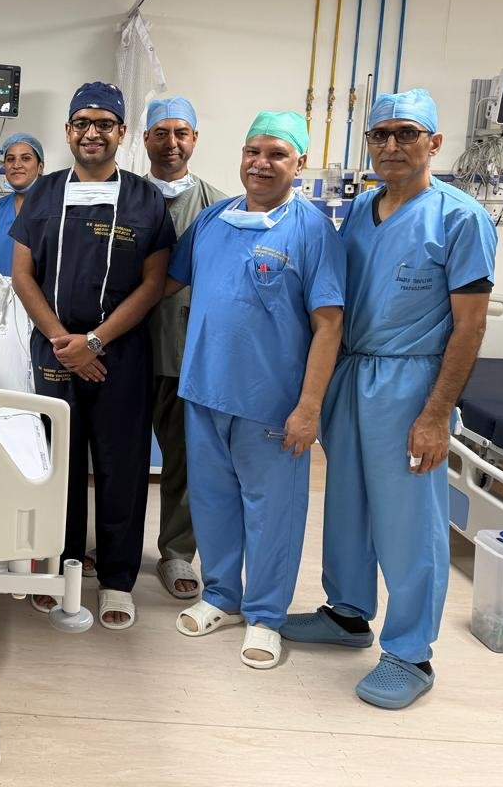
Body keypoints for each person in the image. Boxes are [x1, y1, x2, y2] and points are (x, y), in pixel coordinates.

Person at [282, 89, 497, 708]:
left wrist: (435, 415)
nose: (392, 145)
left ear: (435, 142)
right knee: (347, 507)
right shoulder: (360, 210)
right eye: (380, 134)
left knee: (409, 524)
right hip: (352, 375)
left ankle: (411, 653)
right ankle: (348, 615)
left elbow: (470, 327)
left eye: (407, 133)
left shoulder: (459, 218)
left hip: (411, 383)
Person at [164, 111, 345, 670]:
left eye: (276, 154)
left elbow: (329, 325)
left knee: (272, 511)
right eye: (253, 151)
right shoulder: (214, 219)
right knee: (212, 502)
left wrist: (309, 407)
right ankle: (222, 596)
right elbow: (165, 282)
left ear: (299, 163)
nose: (261, 164)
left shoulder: (312, 230)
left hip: (271, 402)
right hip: (205, 391)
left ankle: (266, 615)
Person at [11, 81, 174, 630]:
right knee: (57, 464)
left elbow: (153, 283)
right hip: (55, 349)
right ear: (68, 130)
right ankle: (60, 567)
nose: (92, 133)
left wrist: (95, 342)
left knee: (120, 465)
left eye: (104, 123)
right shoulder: (43, 192)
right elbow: (22, 274)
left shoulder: (145, 199)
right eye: (82, 122)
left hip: (118, 353)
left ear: (122, 132)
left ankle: (118, 579)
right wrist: (65, 341)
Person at [142, 97, 228, 600]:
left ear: (194, 139)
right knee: (118, 457)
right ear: (145, 139)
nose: (171, 143)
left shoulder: (220, 209)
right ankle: (113, 547)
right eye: (161, 132)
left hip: (189, 354)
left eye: (181, 133)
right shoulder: (124, 197)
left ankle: (176, 552)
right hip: (126, 352)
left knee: (185, 461)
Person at [0, 133, 44, 276]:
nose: (16, 165)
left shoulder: (53, 209)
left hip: (36, 290)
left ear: (40, 167)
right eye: (10, 159)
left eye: (25, 158)